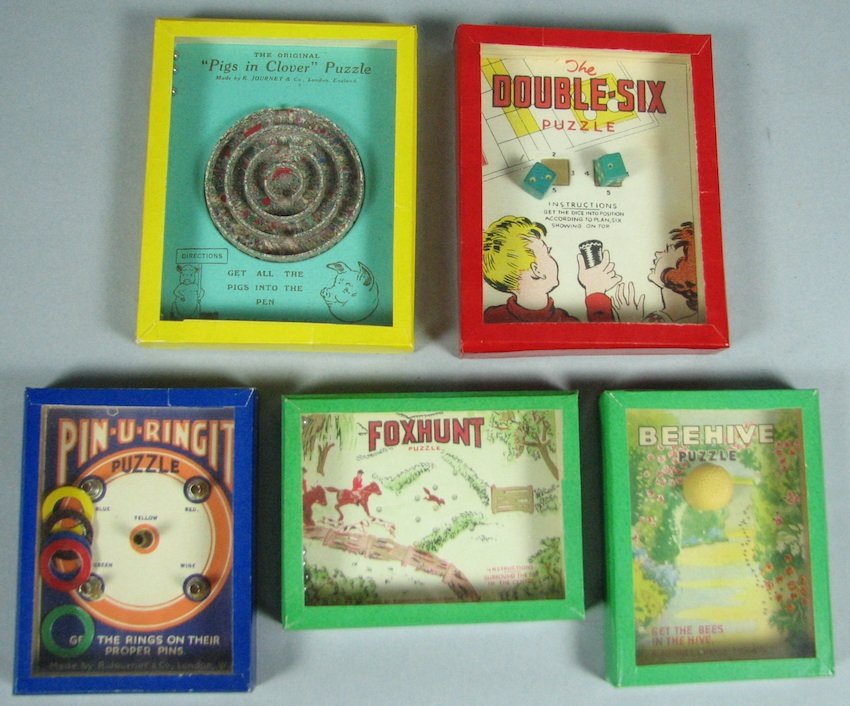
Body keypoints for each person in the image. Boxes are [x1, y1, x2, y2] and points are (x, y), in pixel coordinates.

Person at [482, 215, 620, 323]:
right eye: (547, 252)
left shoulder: (490, 316)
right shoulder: (565, 323)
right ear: (536, 270)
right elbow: (602, 337)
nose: (552, 257)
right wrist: (595, 291)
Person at [613, 222, 699, 323]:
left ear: (682, 269)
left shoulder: (658, 319)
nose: (657, 254)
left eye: (666, 250)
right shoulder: (691, 318)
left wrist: (628, 320)